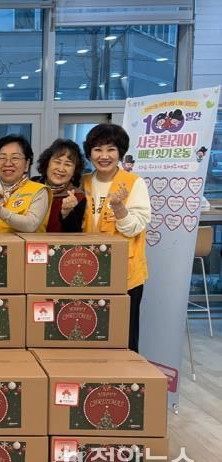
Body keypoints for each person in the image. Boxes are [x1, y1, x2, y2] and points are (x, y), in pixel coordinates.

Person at [81, 123, 151, 352]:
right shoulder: (84, 182)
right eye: (98, 149)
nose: (104, 156)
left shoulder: (134, 183)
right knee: (92, 333)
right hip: (89, 272)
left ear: (120, 152)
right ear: (89, 153)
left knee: (124, 338)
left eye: (110, 149)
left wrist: (119, 207)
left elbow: (134, 228)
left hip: (125, 275)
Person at [0, 134, 51, 233]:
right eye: (2, 158)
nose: (8, 163)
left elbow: (31, 225)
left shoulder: (39, 191)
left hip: (27, 243)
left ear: (27, 164)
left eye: (15, 158)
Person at [33, 138, 86, 233]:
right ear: (47, 163)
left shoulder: (78, 197)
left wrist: (67, 213)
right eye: (57, 162)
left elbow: (75, 236)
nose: (61, 169)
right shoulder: (31, 186)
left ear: (75, 170)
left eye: (68, 164)